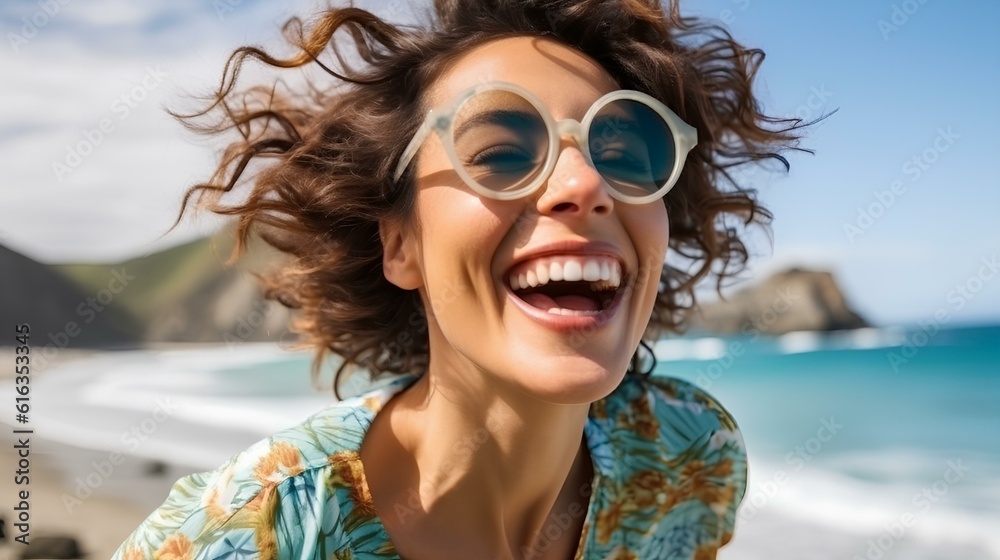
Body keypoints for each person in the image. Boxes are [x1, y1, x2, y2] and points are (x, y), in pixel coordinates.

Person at [113, 0, 806, 558]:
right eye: (502, 152)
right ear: (400, 245)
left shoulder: (690, 461)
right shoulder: (241, 538)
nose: (585, 183)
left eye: (623, 152)